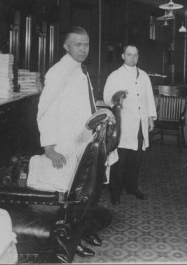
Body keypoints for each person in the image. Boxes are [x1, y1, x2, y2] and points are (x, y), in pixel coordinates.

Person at [35, 26, 100, 257]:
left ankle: (81, 231)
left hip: (81, 142)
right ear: (66, 46)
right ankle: (71, 240)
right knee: (69, 196)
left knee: (82, 193)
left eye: (86, 44)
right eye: (78, 45)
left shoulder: (79, 70)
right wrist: (49, 148)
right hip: (64, 144)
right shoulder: (58, 71)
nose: (83, 49)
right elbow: (44, 110)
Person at [103, 44, 157, 206]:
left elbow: (149, 98)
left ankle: (132, 187)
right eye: (129, 55)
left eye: (135, 55)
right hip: (124, 125)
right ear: (123, 56)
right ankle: (115, 192)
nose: (132, 58)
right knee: (120, 160)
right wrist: (117, 97)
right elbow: (107, 97)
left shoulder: (144, 76)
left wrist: (150, 118)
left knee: (136, 158)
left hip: (140, 124)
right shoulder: (115, 75)